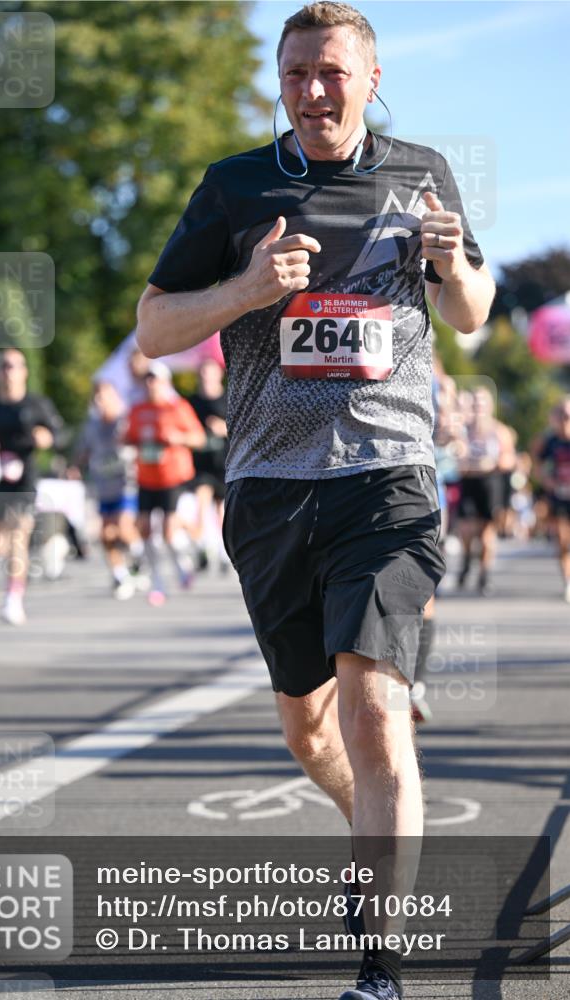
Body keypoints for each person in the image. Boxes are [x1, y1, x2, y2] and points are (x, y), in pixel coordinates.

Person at [137, 4, 494, 997]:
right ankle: (365, 815)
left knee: (375, 708)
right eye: (295, 73)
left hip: (387, 481)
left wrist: (449, 260)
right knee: (309, 729)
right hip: (268, 489)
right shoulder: (236, 185)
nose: (312, 90)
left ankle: (378, 963)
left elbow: (471, 313)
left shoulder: (417, 170)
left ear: (369, 77)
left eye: (331, 71)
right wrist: (247, 289)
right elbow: (155, 329)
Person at [0, 348, 67, 625]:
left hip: (25, 481)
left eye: (15, 366)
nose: (9, 371)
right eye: (3, 366)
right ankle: (52, 544)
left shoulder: (37, 404)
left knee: (18, 534)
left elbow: (62, 434)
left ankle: (13, 599)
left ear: (24, 372)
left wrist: (47, 438)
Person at [125, 361, 205, 605]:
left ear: (165, 383)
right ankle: (157, 580)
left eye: (156, 380)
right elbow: (128, 437)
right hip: (146, 477)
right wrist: (131, 441)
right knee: (146, 530)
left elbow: (199, 438)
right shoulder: (138, 409)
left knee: (169, 530)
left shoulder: (177, 407)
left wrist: (178, 437)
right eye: (148, 379)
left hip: (172, 476)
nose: (151, 384)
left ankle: (183, 566)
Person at [70, 380, 142, 599]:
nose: (100, 401)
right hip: (103, 485)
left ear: (116, 398)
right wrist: (75, 467)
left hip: (126, 483)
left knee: (122, 528)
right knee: (106, 534)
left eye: (105, 396)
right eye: (97, 397)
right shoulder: (92, 426)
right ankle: (120, 575)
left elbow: (140, 443)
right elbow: (83, 451)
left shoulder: (126, 421)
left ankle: (139, 557)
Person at [455, 387, 505, 596]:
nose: (478, 408)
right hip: (468, 483)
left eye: (482, 403)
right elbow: (454, 458)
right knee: (466, 530)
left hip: (490, 484)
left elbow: (508, 459)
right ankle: (466, 558)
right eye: (475, 403)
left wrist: (491, 464)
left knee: (486, 534)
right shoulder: (462, 430)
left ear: (490, 406)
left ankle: (485, 574)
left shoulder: (498, 431)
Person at [188, 357, 230, 571]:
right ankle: (204, 546)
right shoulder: (192, 402)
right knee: (201, 502)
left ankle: (225, 551)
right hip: (201, 463)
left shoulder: (228, 398)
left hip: (223, 461)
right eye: (202, 373)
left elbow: (241, 428)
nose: (206, 378)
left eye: (210, 372)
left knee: (221, 510)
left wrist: (223, 428)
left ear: (219, 375)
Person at [534, 397, 570, 602]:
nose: (566, 420)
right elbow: (537, 462)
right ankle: (567, 581)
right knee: (563, 540)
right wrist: (548, 482)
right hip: (559, 495)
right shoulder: (551, 441)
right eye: (563, 416)